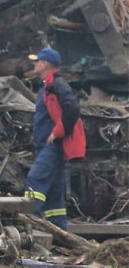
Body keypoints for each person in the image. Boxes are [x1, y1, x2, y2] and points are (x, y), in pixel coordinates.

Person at [25, 47, 86, 230]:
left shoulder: (58, 85)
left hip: (52, 145)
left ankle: (30, 224)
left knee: (35, 180)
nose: (34, 64)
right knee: (54, 191)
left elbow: (73, 109)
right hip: (44, 145)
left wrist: (57, 132)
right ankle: (59, 231)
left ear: (44, 64)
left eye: (37, 61)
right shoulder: (47, 85)